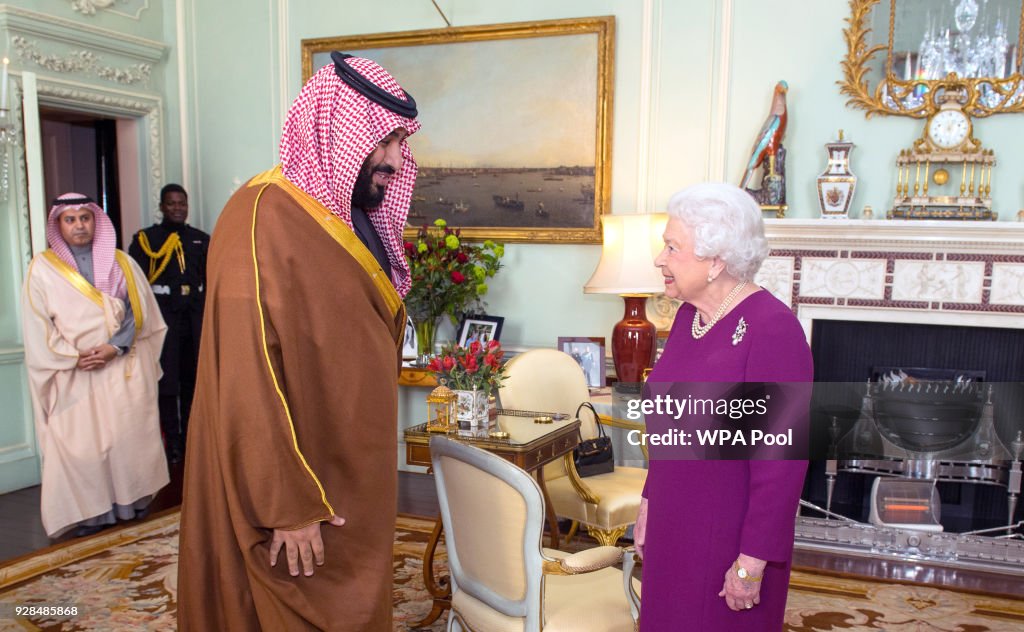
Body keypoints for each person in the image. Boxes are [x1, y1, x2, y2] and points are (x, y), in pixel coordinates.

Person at [177, 52, 419, 631]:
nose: (393, 158)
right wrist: (286, 504)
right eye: (382, 141)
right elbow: (246, 373)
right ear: (339, 129)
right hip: (298, 479)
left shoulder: (349, 212)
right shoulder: (260, 215)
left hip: (349, 461)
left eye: (397, 143)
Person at [634, 183, 812, 630]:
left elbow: (781, 463)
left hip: (729, 542)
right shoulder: (687, 319)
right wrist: (648, 505)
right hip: (675, 527)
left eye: (673, 248)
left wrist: (753, 562)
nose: (660, 259)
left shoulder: (772, 329)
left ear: (716, 261)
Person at [21, 193, 169, 538]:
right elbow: (38, 323)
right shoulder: (42, 268)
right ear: (58, 225)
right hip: (75, 373)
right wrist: (75, 357)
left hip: (119, 365)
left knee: (124, 439)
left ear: (95, 221)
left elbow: (140, 311)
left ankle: (129, 504)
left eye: (84, 218)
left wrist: (113, 348)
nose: (79, 226)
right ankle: (91, 513)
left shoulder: (122, 263)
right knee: (84, 445)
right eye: (69, 220)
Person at [128, 184, 210, 464]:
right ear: (162, 206)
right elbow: (136, 285)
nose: (178, 208)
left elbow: (208, 280)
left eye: (182, 203)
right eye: (172, 203)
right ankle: (172, 443)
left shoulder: (201, 239)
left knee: (192, 381)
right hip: (164, 319)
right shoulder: (146, 240)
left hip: (193, 319)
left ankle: (190, 439)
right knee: (167, 384)